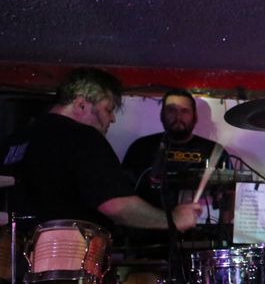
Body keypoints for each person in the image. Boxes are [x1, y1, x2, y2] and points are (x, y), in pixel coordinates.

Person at [1, 67, 202, 233]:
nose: (111, 119)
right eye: (108, 109)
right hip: (65, 260)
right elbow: (117, 206)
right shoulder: (83, 136)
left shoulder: (17, 137)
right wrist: (173, 219)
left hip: (12, 258)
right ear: (81, 105)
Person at [122, 88, 231, 244]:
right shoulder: (141, 148)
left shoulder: (214, 151)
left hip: (199, 240)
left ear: (195, 117)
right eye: (171, 110)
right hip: (147, 239)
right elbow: (123, 196)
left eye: (184, 111)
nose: (178, 117)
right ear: (162, 115)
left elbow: (229, 200)